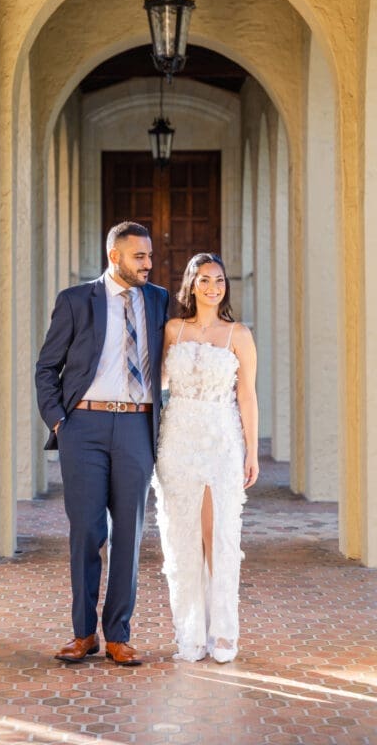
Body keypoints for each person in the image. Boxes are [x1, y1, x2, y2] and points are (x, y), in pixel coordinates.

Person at [36, 221, 169, 666]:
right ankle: (82, 633)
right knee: (87, 533)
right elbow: (47, 367)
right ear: (115, 256)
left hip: (136, 426)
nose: (148, 264)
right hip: (84, 427)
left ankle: (118, 636)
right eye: (139, 256)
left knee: (129, 534)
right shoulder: (76, 301)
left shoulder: (158, 299)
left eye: (149, 256)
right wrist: (59, 422)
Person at [153, 252, 259, 663]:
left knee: (218, 534)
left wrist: (252, 451)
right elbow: (157, 382)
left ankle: (223, 631)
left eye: (219, 280)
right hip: (178, 438)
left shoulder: (238, 334)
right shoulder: (173, 330)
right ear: (191, 285)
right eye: (204, 280)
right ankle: (190, 632)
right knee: (182, 536)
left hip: (220, 439)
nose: (213, 287)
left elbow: (247, 396)